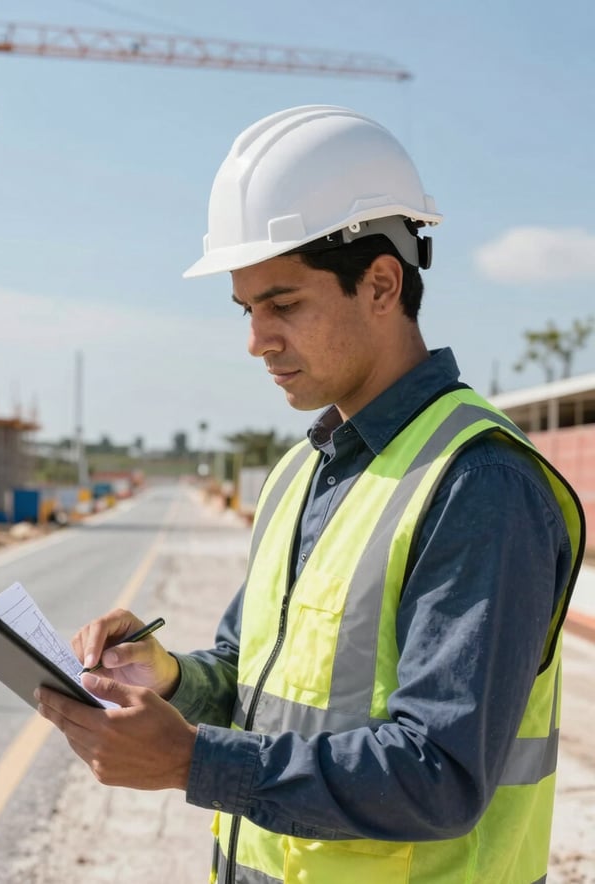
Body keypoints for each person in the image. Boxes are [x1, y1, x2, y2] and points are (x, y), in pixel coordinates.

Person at [36, 105, 585, 883]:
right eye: (248, 309)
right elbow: (250, 677)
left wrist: (191, 762)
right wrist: (167, 678)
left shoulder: (478, 482)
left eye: (284, 304)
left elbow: (440, 775)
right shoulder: (304, 471)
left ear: (382, 284)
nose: (256, 340)